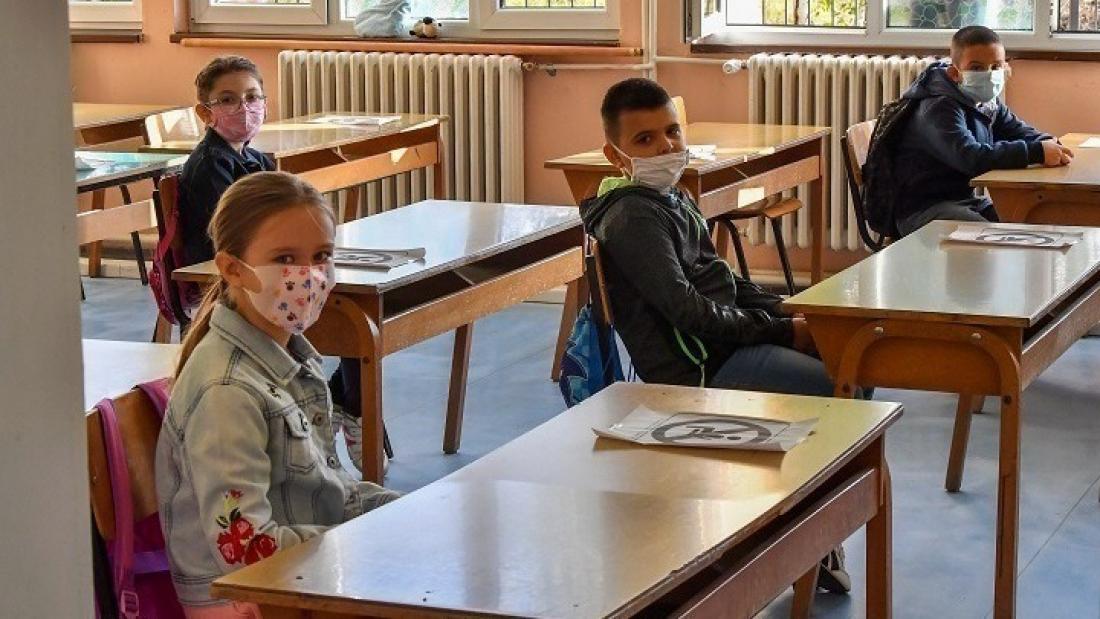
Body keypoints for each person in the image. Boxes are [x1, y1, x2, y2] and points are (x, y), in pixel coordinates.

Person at [580, 77, 850, 593]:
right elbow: (690, 313)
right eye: (645, 140)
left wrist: (791, 310)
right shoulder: (633, 215)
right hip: (698, 368)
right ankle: (807, 532)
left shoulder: (673, 198)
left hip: (724, 346)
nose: (666, 147)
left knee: (850, 356)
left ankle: (807, 525)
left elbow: (725, 282)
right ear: (615, 156)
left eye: (672, 132)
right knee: (840, 381)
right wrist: (784, 333)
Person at [156, 172, 399, 618]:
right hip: (251, 602)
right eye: (285, 258)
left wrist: (411, 514)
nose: (309, 275)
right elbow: (246, 550)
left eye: (321, 256)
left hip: (300, 580)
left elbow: (333, 494)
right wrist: (365, 543)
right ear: (232, 268)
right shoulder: (227, 392)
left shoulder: (291, 357)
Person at [891, 25, 1072, 236]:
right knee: (992, 236)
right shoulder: (938, 107)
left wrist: (1049, 142)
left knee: (1030, 220)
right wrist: (1038, 152)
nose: (989, 75)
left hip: (963, 201)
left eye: (996, 66)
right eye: (976, 68)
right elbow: (971, 157)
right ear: (955, 73)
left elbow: (1018, 130)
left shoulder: (986, 103)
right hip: (921, 210)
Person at [178, 55, 275, 266]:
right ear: (205, 113)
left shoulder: (258, 159)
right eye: (227, 100)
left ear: (264, 105)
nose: (244, 108)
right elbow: (228, 231)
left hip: (256, 257)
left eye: (252, 97)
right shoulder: (209, 164)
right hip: (222, 267)